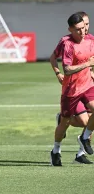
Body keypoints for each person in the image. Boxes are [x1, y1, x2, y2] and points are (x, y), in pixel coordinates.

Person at [50, 11, 94, 164]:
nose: (83, 31)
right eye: (79, 29)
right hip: (71, 90)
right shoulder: (67, 44)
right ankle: (55, 151)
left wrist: (92, 71)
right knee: (67, 122)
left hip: (88, 85)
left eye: (85, 26)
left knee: (91, 119)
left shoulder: (90, 39)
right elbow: (67, 69)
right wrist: (58, 73)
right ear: (70, 30)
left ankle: (83, 142)